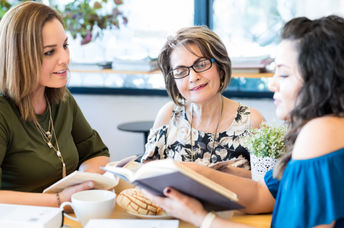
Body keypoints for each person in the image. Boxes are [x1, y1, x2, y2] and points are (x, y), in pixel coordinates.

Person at [143, 15, 344, 227]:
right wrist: (196, 171)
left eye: (284, 75)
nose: (271, 84)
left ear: (321, 80)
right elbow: (261, 194)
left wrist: (201, 218)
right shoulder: (325, 130)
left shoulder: (321, 132)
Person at [0, 2, 110, 207]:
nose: (65, 59)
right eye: (50, 52)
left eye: (65, 46)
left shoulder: (61, 98)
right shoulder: (3, 111)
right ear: (19, 57)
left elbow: (96, 153)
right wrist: (59, 199)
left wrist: (86, 182)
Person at [141, 26, 265, 174]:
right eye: (181, 71)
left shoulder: (252, 121)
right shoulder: (168, 115)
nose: (193, 77)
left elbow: (270, 188)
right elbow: (147, 177)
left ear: (220, 65)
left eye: (201, 64)